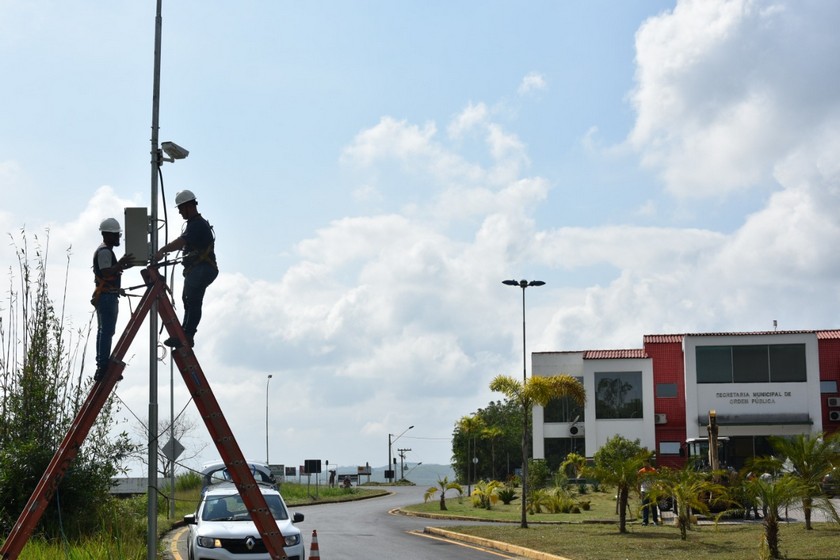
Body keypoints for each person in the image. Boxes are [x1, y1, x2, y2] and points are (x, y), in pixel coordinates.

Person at [154, 189, 218, 348]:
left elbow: (181, 242)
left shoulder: (197, 224)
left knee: (192, 300)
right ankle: (185, 333)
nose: (180, 213)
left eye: (181, 209)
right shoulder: (195, 224)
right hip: (201, 269)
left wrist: (163, 250)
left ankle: (187, 335)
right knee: (189, 300)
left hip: (202, 269)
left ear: (189, 206)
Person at [92, 218, 133, 381]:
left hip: (107, 295)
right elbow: (106, 272)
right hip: (107, 297)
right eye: (116, 235)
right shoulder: (104, 251)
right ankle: (102, 367)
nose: (118, 238)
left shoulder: (106, 251)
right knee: (106, 331)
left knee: (104, 331)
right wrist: (120, 264)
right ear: (107, 234)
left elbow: (110, 271)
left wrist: (121, 264)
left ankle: (102, 365)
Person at [638, 461, 659, 526]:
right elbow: (638, 482)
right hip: (644, 490)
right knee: (645, 506)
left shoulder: (653, 470)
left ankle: (655, 521)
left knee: (653, 506)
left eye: (646, 463)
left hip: (652, 491)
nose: (645, 464)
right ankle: (645, 521)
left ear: (649, 463)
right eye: (644, 463)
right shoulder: (641, 471)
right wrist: (639, 491)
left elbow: (657, 480)